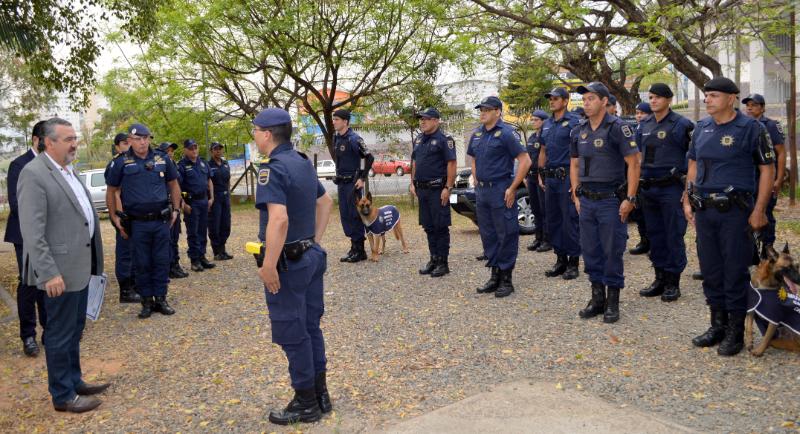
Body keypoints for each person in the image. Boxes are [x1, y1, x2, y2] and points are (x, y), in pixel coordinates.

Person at [17, 117, 108, 413]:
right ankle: (63, 396)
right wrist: (49, 272)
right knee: (58, 332)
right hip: (59, 271)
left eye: (74, 138)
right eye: (68, 139)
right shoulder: (34, 173)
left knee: (75, 327)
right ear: (48, 142)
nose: (74, 143)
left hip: (80, 267)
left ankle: (74, 380)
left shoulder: (69, 170)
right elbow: (32, 231)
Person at [251, 108, 334, 425]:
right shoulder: (301, 162)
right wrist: (313, 239)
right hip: (310, 257)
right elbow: (325, 202)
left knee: (293, 332)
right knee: (311, 327)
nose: (255, 136)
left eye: (256, 130)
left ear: (267, 134)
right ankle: (320, 395)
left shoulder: (271, 169)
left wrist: (269, 265)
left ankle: (305, 403)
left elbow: (279, 219)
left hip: (289, 263)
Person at [684, 77, 775, 356]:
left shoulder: (751, 128)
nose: (707, 100)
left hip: (735, 212)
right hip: (705, 210)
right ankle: (717, 325)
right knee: (711, 270)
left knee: (734, 269)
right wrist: (687, 197)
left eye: (713, 95)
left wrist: (759, 210)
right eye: (706, 96)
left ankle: (736, 331)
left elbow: (767, 170)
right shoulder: (702, 128)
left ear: (731, 98)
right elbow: (693, 163)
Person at [571, 82, 641, 324]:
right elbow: (575, 163)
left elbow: (634, 163)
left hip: (611, 199)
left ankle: (613, 302)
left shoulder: (617, 128)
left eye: (591, 98)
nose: (586, 103)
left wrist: (630, 198)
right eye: (584, 99)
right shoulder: (579, 129)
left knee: (612, 250)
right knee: (590, 250)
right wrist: (575, 193)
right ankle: (597, 298)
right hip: (587, 199)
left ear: (603, 101)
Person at [106, 123, 182, 319]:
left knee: (162, 260)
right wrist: (115, 217)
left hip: (160, 221)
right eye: (137, 139)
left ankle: (161, 298)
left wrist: (176, 209)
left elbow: (173, 185)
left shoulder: (162, 158)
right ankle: (146, 301)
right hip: (137, 223)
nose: (142, 142)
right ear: (130, 141)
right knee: (141, 263)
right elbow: (112, 190)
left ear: (149, 138)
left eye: (145, 138)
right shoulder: (121, 162)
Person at [636, 83, 694, 302]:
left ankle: (673, 281)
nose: (653, 101)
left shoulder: (681, 124)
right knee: (655, 234)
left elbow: (693, 158)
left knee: (673, 234)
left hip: (671, 187)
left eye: (658, 97)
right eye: (650, 97)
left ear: (669, 100)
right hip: (649, 187)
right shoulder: (644, 124)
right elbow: (639, 155)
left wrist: (688, 189)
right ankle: (659, 277)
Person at [470, 96, 532, 298]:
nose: (482, 112)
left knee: (506, 233)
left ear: (498, 111)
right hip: (483, 191)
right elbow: (474, 158)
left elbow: (525, 160)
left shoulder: (506, 133)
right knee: (488, 234)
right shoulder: (478, 133)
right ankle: (494, 275)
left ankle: (506, 279)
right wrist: (476, 176)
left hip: (500, 189)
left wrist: (513, 187)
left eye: (487, 109)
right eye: (481, 109)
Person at [5, 120, 48, 357]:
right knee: (30, 284)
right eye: (47, 139)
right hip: (25, 235)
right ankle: (28, 335)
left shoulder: (52, 163)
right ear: (36, 139)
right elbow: (17, 203)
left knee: (49, 281)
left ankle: (49, 331)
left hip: (50, 236)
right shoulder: (18, 165)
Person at [539, 87, 582, 279]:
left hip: (567, 178)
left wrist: (577, 181)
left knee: (570, 220)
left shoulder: (575, 123)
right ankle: (560, 259)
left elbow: (580, 154)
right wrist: (540, 173)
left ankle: (573, 262)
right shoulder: (547, 124)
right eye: (550, 98)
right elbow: (543, 150)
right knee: (554, 220)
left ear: (565, 101)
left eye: (555, 98)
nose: (552, 101)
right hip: (551, 178)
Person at [410, 107, 457, 277]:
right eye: (421, 119)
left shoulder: (445, 139)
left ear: (436, 121)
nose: (422, 121)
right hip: (422, 190)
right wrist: (412, 183)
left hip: (438, 190)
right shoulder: (418, 139)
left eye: (426, 119)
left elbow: (451, 164)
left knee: (440, 226)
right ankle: (434, 258)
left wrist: (448, 188)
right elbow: (415, 162)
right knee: (428, 226)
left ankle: (443, 263)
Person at [743, 93, 786, 255]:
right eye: (747, 105)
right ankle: (752, 250)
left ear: (762, 108)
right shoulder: (744, 125)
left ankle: (767, 247)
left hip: (766, 177)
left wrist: (779, 179)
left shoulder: (771, 125)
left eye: (753, 105)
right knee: (748, 212)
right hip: (749, 178)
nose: (749, 107)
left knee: (765, 212)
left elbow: (781, 153)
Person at [332, 109, 374, 263]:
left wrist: (362, 178)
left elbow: (369, 158)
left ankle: (360, 250)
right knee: (345, 215)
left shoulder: (354, 139)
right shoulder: (336, 138)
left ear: (345, 121)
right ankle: (353, 247)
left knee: (354, 215)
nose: (334, 122)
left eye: (337, 119)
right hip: (341, 183)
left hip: (353, 183)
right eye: (333, 119)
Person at [104, 133, 141, 304]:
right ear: (117, 146)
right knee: (126, 252)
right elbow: (114, 192)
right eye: (125, 143)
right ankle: (126, 290)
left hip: (135, 215)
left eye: (130, 142)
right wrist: (119, 218)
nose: (129, 145)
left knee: (136, 251)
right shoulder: (117, 163)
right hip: (124, 215)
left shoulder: (133, 161)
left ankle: (135, 285)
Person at [177, 139, 215, 272]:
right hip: (191, 203)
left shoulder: (203, 162)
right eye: (191, 148)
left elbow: (209, 180)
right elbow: (176, 186)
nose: (194, 151)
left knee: (203, 230)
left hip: (204, 201)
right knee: (193, 232)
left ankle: (202, 256)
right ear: (185, 150)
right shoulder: (181, 166)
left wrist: (212, 198)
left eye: (195, 148)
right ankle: (194, 260)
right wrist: (182, 203)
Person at [157, 142, 189, 278]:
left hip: (174, 204)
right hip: (164, 206)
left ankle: (175, 264)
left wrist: (181, 202)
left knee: (175, 237)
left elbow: (177, 185)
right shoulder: (159, 165)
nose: (170, 152)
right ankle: (168, 266)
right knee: (167, 239)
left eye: (172, 150)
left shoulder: (173, 164)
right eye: (168, 150)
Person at [525, 110, 551, 252]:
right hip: (531, 176)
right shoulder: (532, 137)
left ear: (543, 121)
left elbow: (546, 157)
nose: (533, 122)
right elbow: (528, 158)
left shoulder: (546, 136)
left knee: (544, 208)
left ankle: (548, 239)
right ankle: (538, 237)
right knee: (535, 208)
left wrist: (543, 176)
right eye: (532, 119)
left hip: (542, 176)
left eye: (536, 120)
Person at [208, 141, 233, 260]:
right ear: (211, 151)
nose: (218, 151)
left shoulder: (225, 163)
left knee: (226, 224)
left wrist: (228, 194)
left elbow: (228, 180)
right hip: (215, 198)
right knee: (215, 224)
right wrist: (210, 198)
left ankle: (223, 250)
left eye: (220, 149)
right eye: (215, 149)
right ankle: (217, 252)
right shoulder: (208, 165)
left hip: (225, 197)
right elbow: (208, 183)